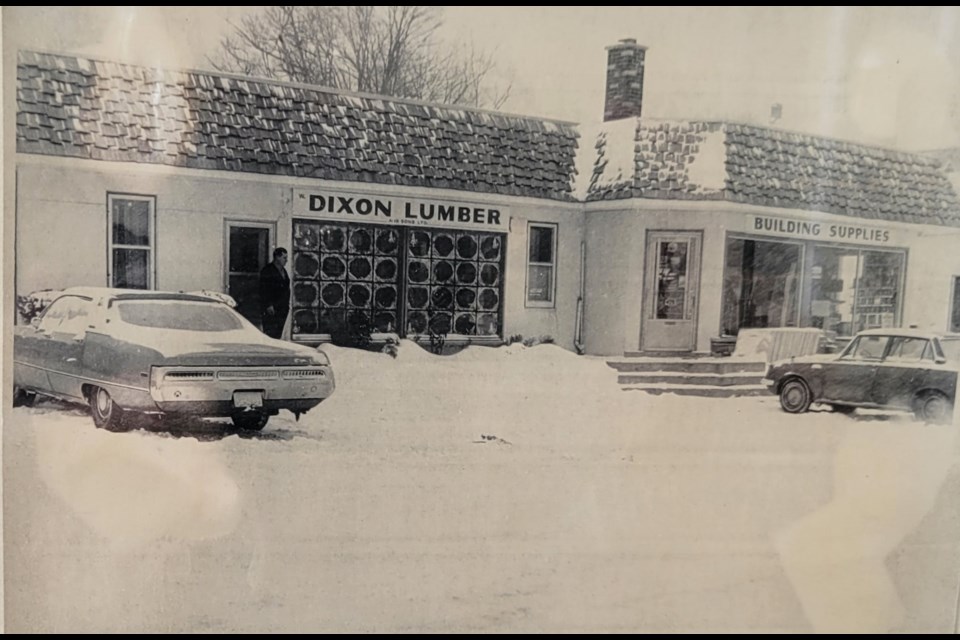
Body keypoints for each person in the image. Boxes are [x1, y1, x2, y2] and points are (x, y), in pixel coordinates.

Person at [259, 247, 290, 339]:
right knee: (270, 333)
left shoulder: (284, 271)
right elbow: (263, 289)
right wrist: (268, 304)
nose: (286, 260)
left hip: (282, 307)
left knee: (278, 333)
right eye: (284, 258)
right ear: (277, 257)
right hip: (272, 308)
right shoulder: (267, 271)